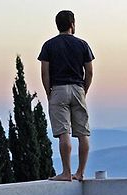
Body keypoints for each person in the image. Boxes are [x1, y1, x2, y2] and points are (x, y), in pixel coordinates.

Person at [38, 10, 95, 181]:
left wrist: (49, 92)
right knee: (83, 133)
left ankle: (66, 172)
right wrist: (84, 90)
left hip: (58, 89)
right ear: (72, 24)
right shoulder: (83, 44)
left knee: (64, 133)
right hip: (78, 89)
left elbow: (44, 73)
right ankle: (80, 172)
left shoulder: (49, 45)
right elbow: (90, 72)